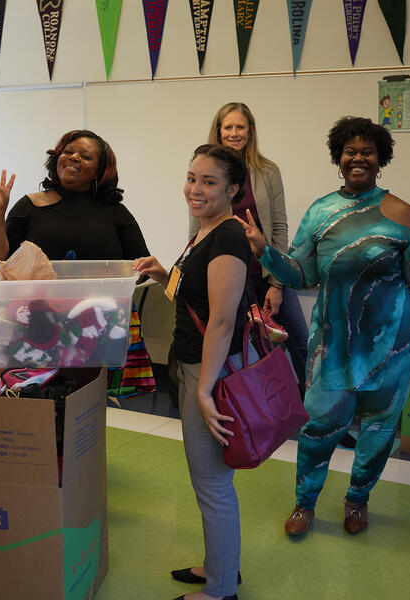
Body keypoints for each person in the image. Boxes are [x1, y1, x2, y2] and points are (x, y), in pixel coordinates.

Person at [238, 116, 410, 536]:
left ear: (379, 158)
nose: (358, 158)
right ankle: (305, 503)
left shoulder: (401, 212)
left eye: (367, 151)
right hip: (334, 343)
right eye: (350, 151)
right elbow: (301, 273)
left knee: (379, 429)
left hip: (394, 344)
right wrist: (265, 253)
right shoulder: (320, 211)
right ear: (339, 157)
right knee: (318, 427)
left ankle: (357, 501)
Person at [134, 144, 256, 600]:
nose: (195, 189)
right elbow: (195, 302)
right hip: (194, 367)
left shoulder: (227, 236)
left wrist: (204, 390)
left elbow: (223, 319)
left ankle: (221, 591)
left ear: (233, 189)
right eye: (191, 178)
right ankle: (219, 567)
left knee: (211, 482)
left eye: (209, 182)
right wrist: (164, 273)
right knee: (208, 480)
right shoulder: (204, 231)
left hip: (209, 373)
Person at [191, 103, 310, 396]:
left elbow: (279, 227)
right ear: (218, 131)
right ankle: (250, 409)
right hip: (228, 277)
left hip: (265, 273)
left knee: (301, 343)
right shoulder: (205, 173)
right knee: (239, 346)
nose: (234, 133)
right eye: (228, 127)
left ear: (250, 131)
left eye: (240, 127)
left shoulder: (267, 171)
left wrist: (278, 283)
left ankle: (319, 415)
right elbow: (196, 230)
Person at [0, 129, 148, 261]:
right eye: (68, 152)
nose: (74, 157)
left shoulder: (115, 212)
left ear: (98, 172)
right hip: (36, 302)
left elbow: (143, 269)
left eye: (85, 156)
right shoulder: (29, 205)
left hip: (101, 302)